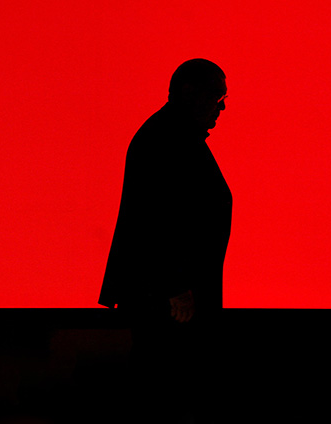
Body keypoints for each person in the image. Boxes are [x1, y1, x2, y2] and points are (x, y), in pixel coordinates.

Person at [99, 58, 232, 422]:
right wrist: (175, 285)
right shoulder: (166, 139)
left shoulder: (169, 134)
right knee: (164, 390)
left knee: (163, 387)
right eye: (216, 97)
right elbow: (153, 218)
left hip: (166, 296)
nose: (222, 107)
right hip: (166, 301)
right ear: (190, 93)